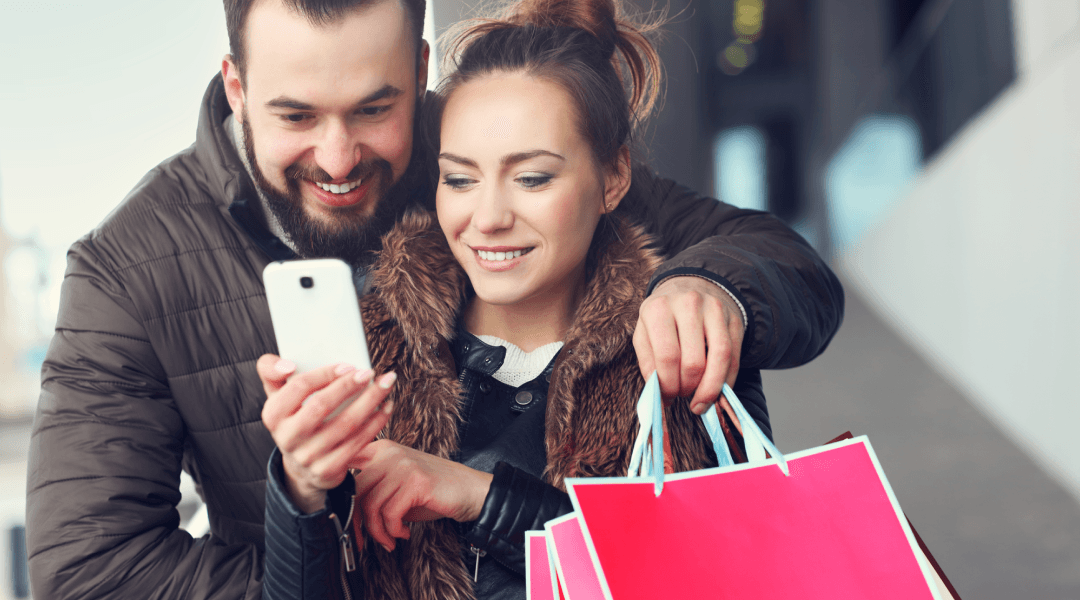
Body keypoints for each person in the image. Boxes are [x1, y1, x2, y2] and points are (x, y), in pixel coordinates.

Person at [26, 0, 843, 598]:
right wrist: (311, 524)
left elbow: (769, 255)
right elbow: (91, 572)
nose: (339, 157)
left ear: (418, 74)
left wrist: (716, 287)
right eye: (296, 115)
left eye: (375, 109)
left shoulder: (482, 132)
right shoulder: (127, 269)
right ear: (236, 86)